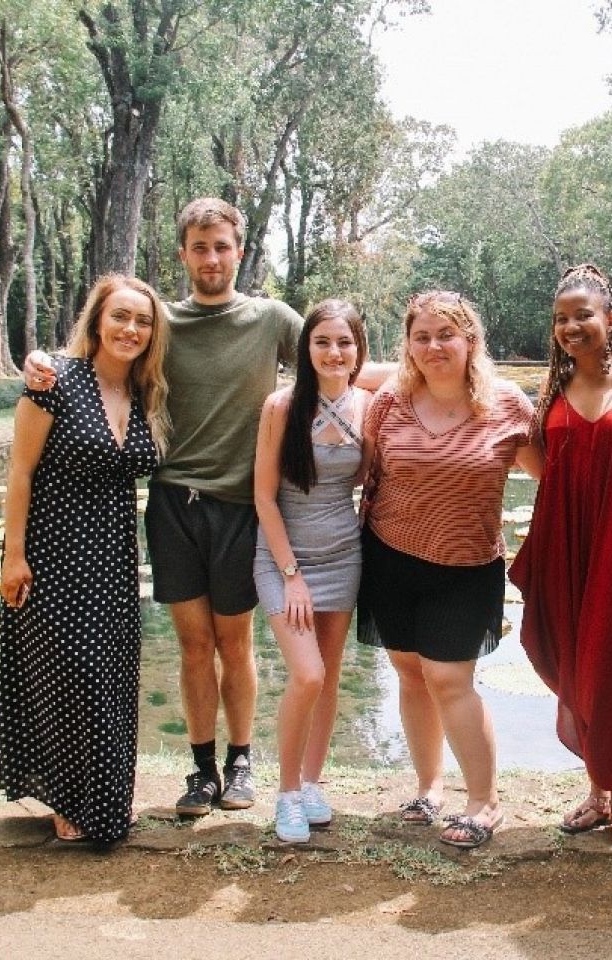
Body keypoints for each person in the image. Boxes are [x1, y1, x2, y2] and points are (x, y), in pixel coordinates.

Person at [27, 199, 393, 817]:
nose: (212, 258)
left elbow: (332, 358)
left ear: (239, 251)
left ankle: (241, 760)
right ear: (184, 255)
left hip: (239, 507)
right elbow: (106, 359)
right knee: (194, 646)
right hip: (173, 505)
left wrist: (433, 373)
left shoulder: (271, 318)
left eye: (222, 246)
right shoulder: (163, 323)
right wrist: (47, 363)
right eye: (200, 247)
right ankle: (201, 767)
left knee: (237, 643)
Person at [0, 274, 170, 844]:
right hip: (54, 551)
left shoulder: (147, 393)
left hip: (114, 558)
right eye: (120, 316)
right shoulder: (54, 381)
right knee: (69, 675)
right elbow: (19, 471)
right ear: (97, 320)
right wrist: (12, 557)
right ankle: (70, 800)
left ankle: (107, 799)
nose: (131, 329)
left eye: (142, 321)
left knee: (111, 676)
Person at [357, 290, 542, 849]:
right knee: (411, 674)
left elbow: (551, 476)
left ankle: (484, 802)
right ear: (408, 345)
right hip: (389, 557)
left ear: (470, 341)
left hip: (465, 566)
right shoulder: (390, 401)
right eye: (422, 336)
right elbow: (364, 467)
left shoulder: (507, 404)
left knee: (449, 679)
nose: (434, 346)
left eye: (446, 335)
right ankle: (429, 787)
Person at [508, 264, 612, 851]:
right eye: (560, 319)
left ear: (610, 317)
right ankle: (598, 793)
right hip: (566, 540)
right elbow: (541, 461)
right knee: (573, 656)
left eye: (583, 315)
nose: (571, 327)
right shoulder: (551, 388)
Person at [252, 300, 370, 844]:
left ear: (358, 349)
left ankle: (313, 781)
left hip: (343, 556)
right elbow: (264, 497)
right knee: (308, 675)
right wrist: (291, 572)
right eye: (321, 341)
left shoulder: (370, 406)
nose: (333, 352)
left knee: (329, 679)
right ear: (306, 349)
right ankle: (286, 793)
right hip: (284, 559)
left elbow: (369, 484)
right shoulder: (281, 407)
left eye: (344, 342)